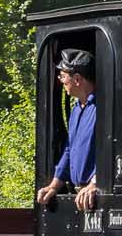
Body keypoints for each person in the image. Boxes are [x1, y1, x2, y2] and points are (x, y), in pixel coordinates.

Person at [35, 48, 101, 213]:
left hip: (96, 196)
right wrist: (54, 186)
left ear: (77, 79)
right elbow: (69, 150)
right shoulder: (76, 110)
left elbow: (112, 150)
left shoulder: (102, 109)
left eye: (63, 76)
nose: (61, 81)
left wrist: (96, 182)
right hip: (80, 196)